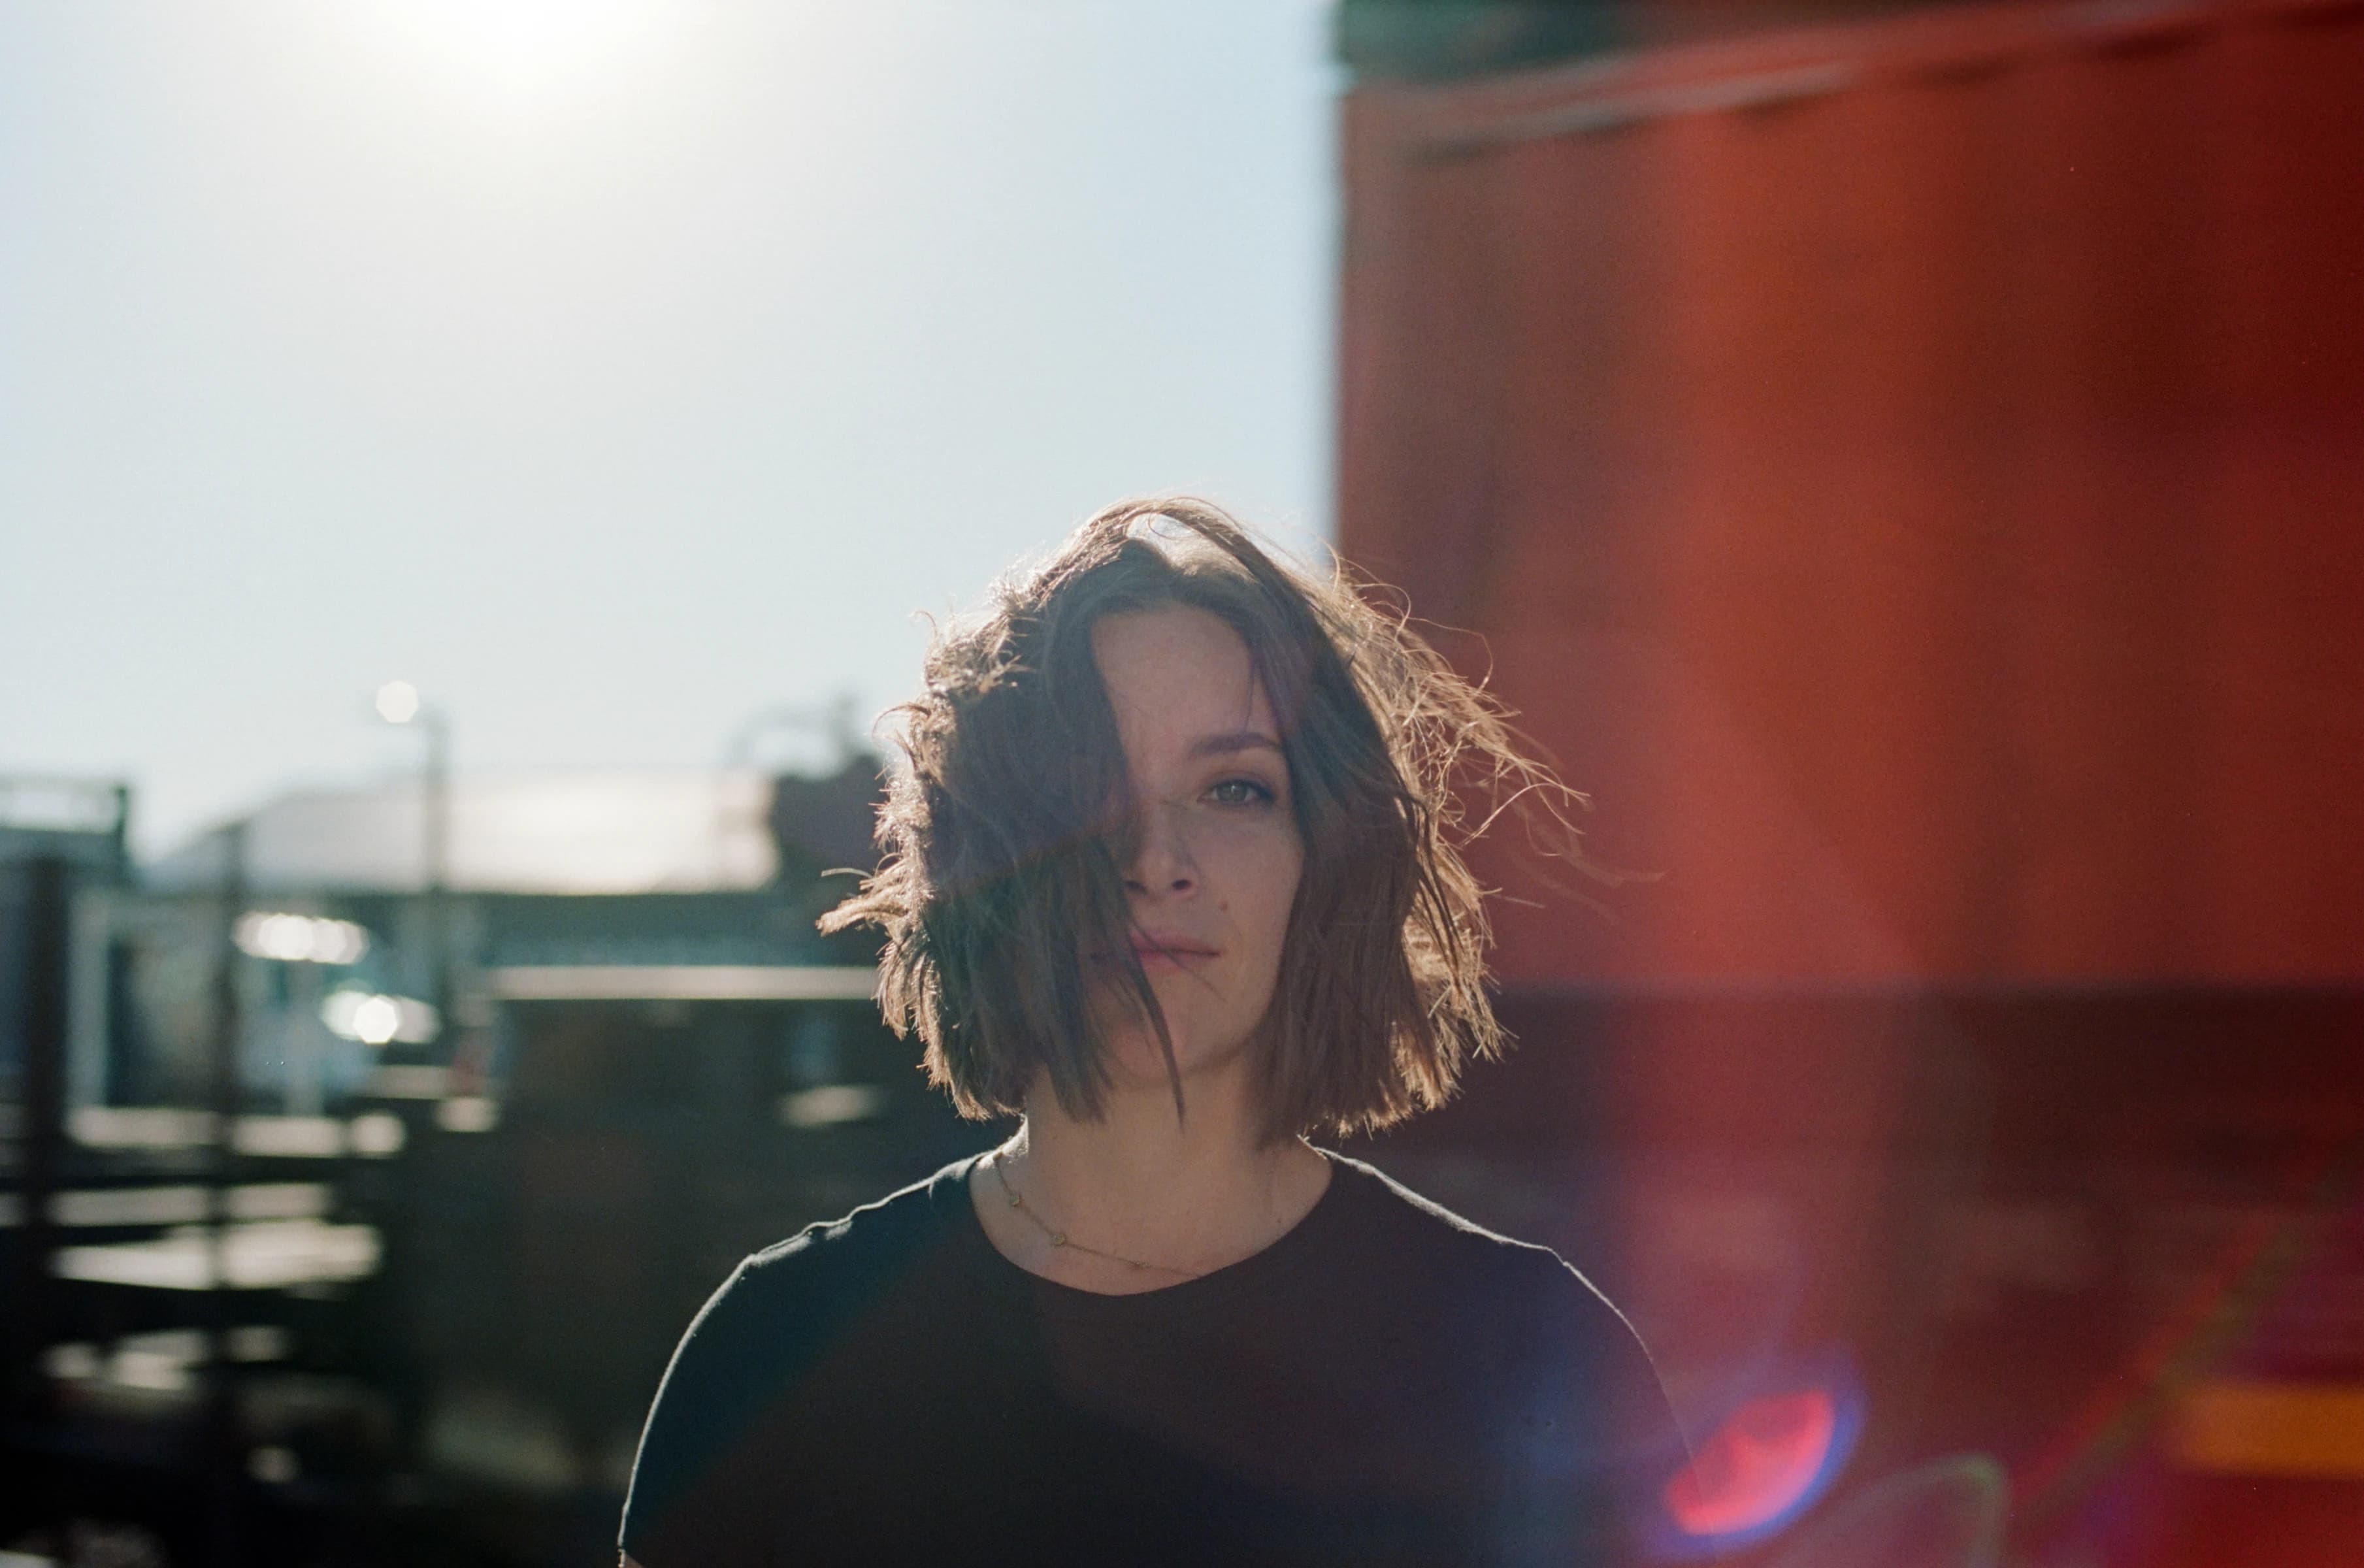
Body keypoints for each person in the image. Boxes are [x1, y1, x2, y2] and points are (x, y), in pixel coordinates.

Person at [619, 497, 1688, 1567]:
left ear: (1323, 865)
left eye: (1234, 789)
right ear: (980, 866)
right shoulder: (780, 1347)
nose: (1153, 858)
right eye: (1087, 793)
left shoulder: (1533, 1358)